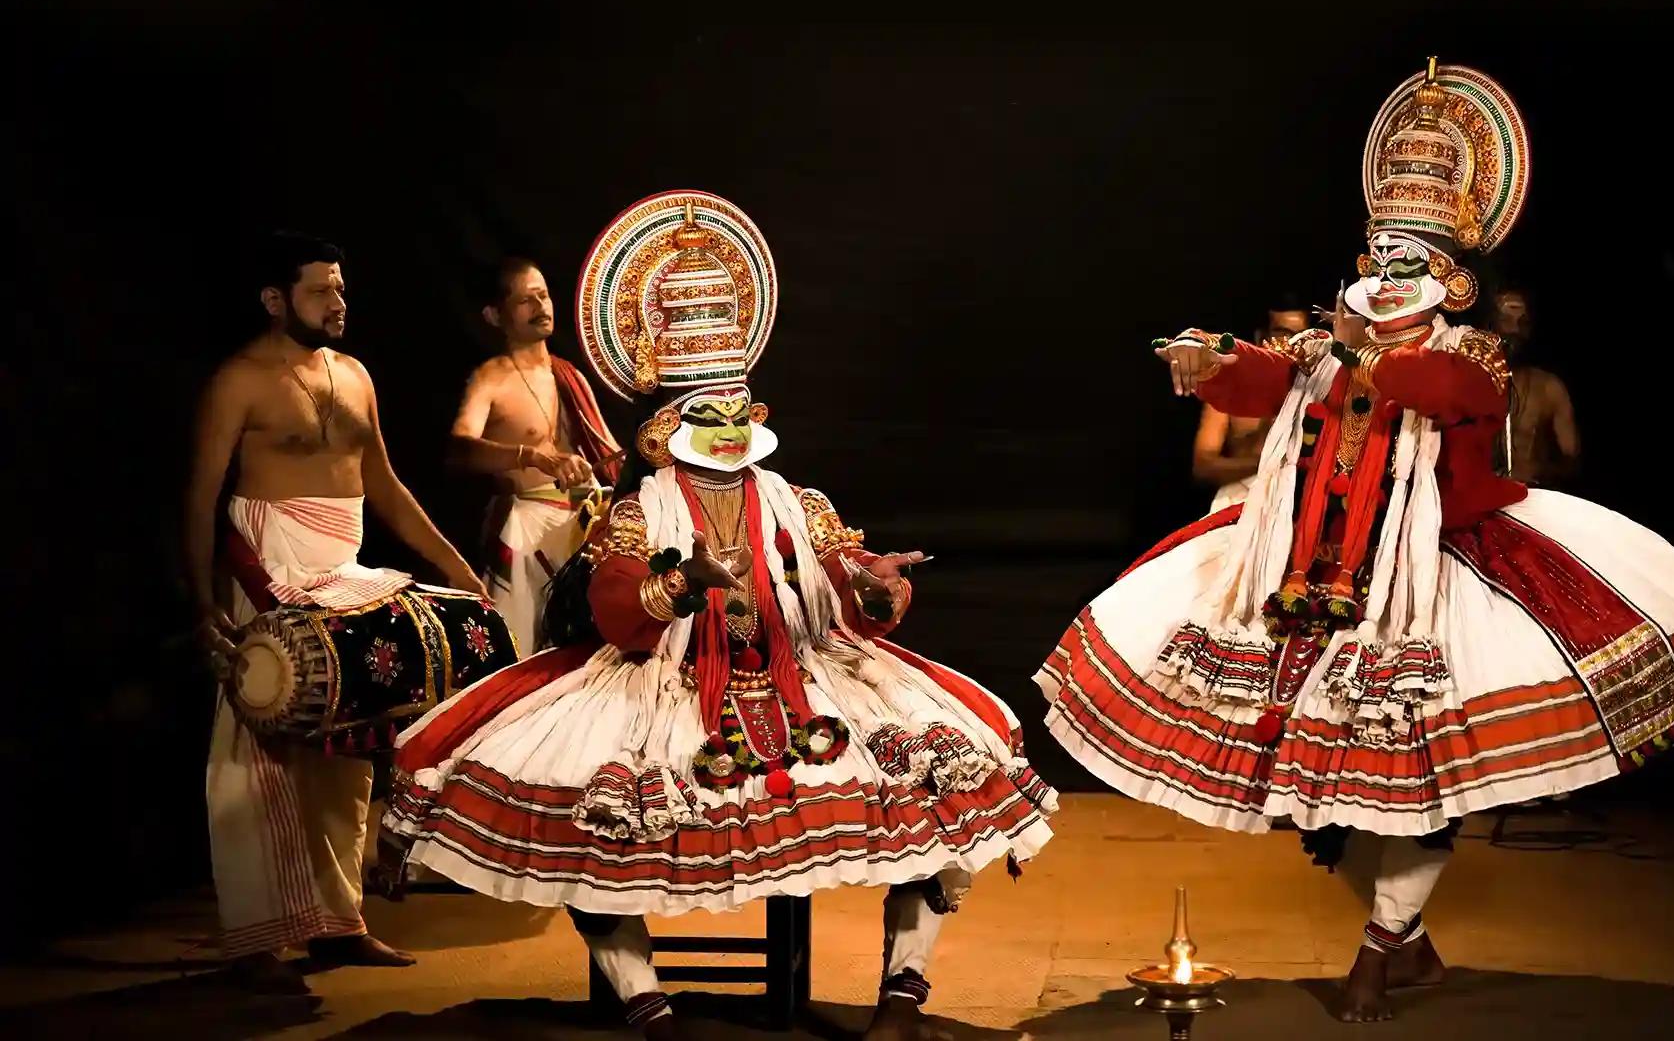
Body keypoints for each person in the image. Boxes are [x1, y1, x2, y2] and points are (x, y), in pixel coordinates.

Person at [1033, 62, 1674, 1022]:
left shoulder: (1463, 351)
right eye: (1374, 256)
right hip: (1312, 566)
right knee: (1316, 795)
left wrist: (1374, 358)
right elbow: (1256, 382)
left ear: (1447, 278)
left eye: (1405, 262)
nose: (1381, 275)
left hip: (1435, 577)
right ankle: (1408, 942)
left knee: (1409, 778)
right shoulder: (1326, 348)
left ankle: (1376, 958)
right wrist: (1211, 362)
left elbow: (1457, 397)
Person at [384, 194, 1057, 1039]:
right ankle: (646, 1004)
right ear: (669, 428)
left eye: (740, 412)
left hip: (808, 677)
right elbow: (613, 604)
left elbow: (842, 580)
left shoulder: (791, 501)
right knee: (592, 820)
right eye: (712, 416)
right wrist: (678, 587)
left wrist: (878, 587)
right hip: (664, 682)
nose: (731, 428)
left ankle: (902, 996)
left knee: (946, 785)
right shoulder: (639, 511)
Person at [186, 231, 485, 993]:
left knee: (349, 755)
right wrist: (201, 604)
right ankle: (258, 936)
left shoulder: (354, 375)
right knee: (254, 755)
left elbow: (384, 485)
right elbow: (199, 499)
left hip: (342, 569)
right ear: (276, 299)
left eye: (342, 289)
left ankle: (336, 925)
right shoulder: (240, 380)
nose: (338, 302)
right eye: (322, 290)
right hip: (269, 566)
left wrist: (457, 572)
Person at [449, 257, 624, 654]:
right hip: (528, 532)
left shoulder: (570, 375)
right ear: (495, 315)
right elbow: (460, 450)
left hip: (586, 530)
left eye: (544, 296)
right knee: (521, 655)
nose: (541, 307)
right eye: (526, 300)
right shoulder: (490, 378)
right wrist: (532, 457)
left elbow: (610, 454)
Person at [1192, 294, 1314, 512]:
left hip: (1292, 505)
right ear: (1260, 337)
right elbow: (1203, 464)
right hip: (1235, 503)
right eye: (1283, 334)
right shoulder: (1229, 392)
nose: (1291, 344)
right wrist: (1267, 465)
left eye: (1299, 336)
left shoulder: (1315, 392)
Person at [1488, 287, 1579, 486]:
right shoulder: (1463, 381)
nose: (1514, 330)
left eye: (1522, 322)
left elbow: (1571, 460)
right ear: (1490, 324)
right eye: (1506, 320)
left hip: (1530, 497)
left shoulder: (1549, 387)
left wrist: (1539, 471)